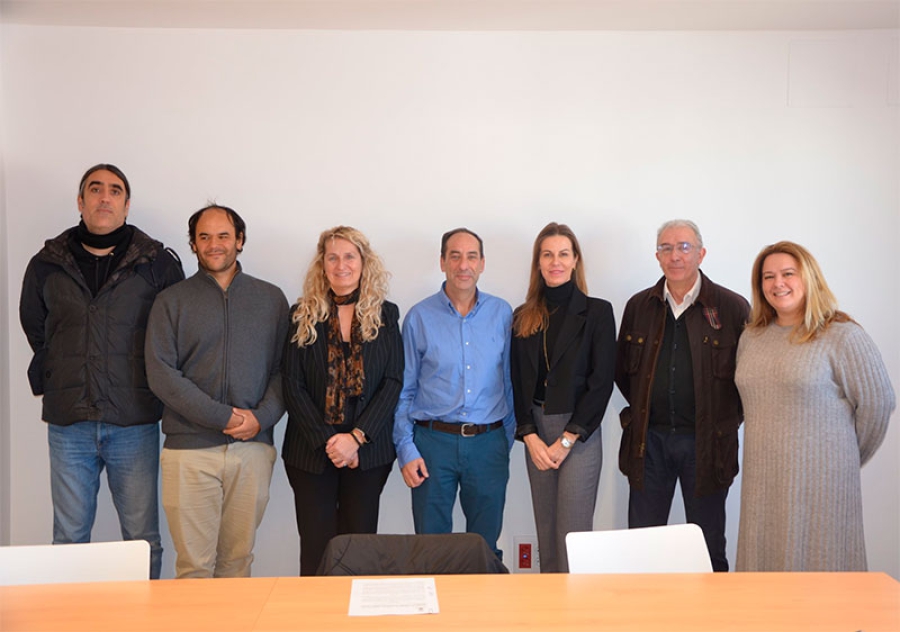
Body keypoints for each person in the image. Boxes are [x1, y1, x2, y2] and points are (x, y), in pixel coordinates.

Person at [19, 163, 183, 579]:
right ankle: (71, 612)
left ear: (127, 205)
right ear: (81, 201)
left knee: (142, 538)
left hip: (134, 420)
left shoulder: (157, 263)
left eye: (114, 190)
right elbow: (36, 326)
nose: (104, 197)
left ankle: (144, 612)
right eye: (95, 189)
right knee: (69, 537)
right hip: (69, 421)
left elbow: (172, 333)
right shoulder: (47, 263)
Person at [145, 204, 288, 579]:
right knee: (194, 567)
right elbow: (161, 374)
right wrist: (223, 417)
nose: (214, 244)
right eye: (204, 237)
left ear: (240, 240)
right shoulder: (171, 301)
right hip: (189, 452)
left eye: (223, 236)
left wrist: (261, 419)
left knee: (237, 563)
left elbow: (284, 371)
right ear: (193, 244)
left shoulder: (271, 299)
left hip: (252, 449)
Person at [735, 241, 895, 572]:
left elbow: (878, 404)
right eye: (768, 277)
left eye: (788, 274)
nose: (778, 283)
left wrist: (841, 458)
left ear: (809, 277)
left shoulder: (842, 336)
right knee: (763, 574)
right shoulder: (752, 337)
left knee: (823, 568)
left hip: (822, 483)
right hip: (762, 481)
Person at [615, 219, 749, 572]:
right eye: (667, 248)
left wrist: (724, 422)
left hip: (707, 447)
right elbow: (623, 374)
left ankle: (714, 609)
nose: (675, 256)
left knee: (708, 549)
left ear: (701, 254)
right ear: (657, 256)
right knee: (642, 549)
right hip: (648, 443)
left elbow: (748, 380)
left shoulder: (732, 308)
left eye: (684, 247)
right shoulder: (639, 306)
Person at [281, 226, 403, 576]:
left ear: (364, 262)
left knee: (359, 550)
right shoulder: (302, 313)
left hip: (368, 454)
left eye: (349, 256)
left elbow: (393, 381)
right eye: (332, 257)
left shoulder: (386, 314)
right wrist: (329, 442)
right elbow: (292, 385)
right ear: (322, 264)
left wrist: (356, 438)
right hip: (311, 452)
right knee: (316, 550)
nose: (341, 265)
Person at [393, 227, 515, 559]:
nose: (464, 265)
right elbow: (404, 389)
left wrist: (503, 441)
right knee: (431, 549)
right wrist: (406, 448)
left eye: (471, 257)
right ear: (443, 262)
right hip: (433, 444)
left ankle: (483, 596)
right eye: (455, 256)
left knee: (485, 548)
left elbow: (509, 382)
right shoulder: (419, 317)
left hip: (488, 444)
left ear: (482, 263)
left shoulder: (502, 314)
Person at [509, 222, 616, 573]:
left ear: (575, 260)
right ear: (538, 263)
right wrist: (529, 435)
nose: (555, 262)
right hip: (536, 432)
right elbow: (517, 381)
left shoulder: (598, 312)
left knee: (573, 534)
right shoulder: (522, 316)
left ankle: (574, 604)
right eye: (547, 254)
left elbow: (601, 383)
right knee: (546, 531)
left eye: (563, 254)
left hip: (579, 431)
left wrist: (568, 439)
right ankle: (548, 603)